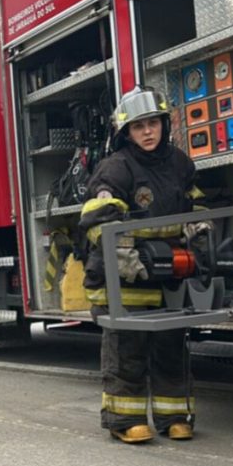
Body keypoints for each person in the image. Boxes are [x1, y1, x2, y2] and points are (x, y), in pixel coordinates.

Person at [79, 86, 207, 444]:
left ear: (164, 124)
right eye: (138, 127)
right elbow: (97, 221)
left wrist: (199, 229)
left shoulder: (180, 163)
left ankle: (175, 417)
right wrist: (127, 260)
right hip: (123, 278)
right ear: (126, 132)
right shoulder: (115, 168)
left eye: (152, 123)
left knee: (171, 346)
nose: (147, 132)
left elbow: (195, 202)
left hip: (167, 275)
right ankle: (124, 419)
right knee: (127, 350)